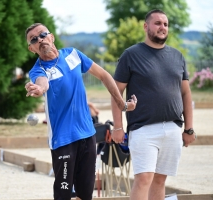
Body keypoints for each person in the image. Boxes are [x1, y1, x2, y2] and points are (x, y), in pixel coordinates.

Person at [24, 23, 137, 200]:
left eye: (42, 34)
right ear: (32, 49)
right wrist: (38, 89)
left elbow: (104, 75)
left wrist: (122, 104)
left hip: (87, 135)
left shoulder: (73, 54)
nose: (40, 39)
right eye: (34, 39)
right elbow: (42, 82)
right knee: (63, 194)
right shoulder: (39, 70)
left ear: (51, 37)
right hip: (63, 140)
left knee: (85, 193)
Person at [111, 9, 196, 200]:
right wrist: (118, 127)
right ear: (146, 26)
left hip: (173, 128)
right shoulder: (131, 55)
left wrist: (188, 129)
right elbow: (116, 93)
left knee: (159, 180)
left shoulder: (177, 56)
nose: (162, 27)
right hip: (143, 128)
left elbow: (185, 93)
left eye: (165, 24)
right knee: (144, 179)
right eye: (157, 23)